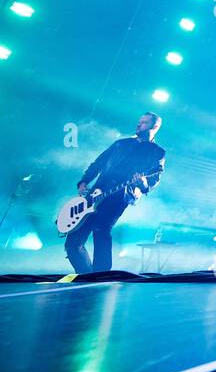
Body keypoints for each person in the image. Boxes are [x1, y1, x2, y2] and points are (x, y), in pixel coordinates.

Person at [66, 112, 165, 274]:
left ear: (154, 127)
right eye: (139, 121)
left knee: (101, 229)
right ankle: (86, 274)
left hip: (119, 196)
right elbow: (98, 163)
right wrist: (84, 181)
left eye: (144, 122)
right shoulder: (121, 144)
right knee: (73, 241)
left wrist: (143, 182)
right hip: (96, 192)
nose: (139, 124)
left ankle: (101, 274)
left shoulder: (157, 152)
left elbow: (155, 177)